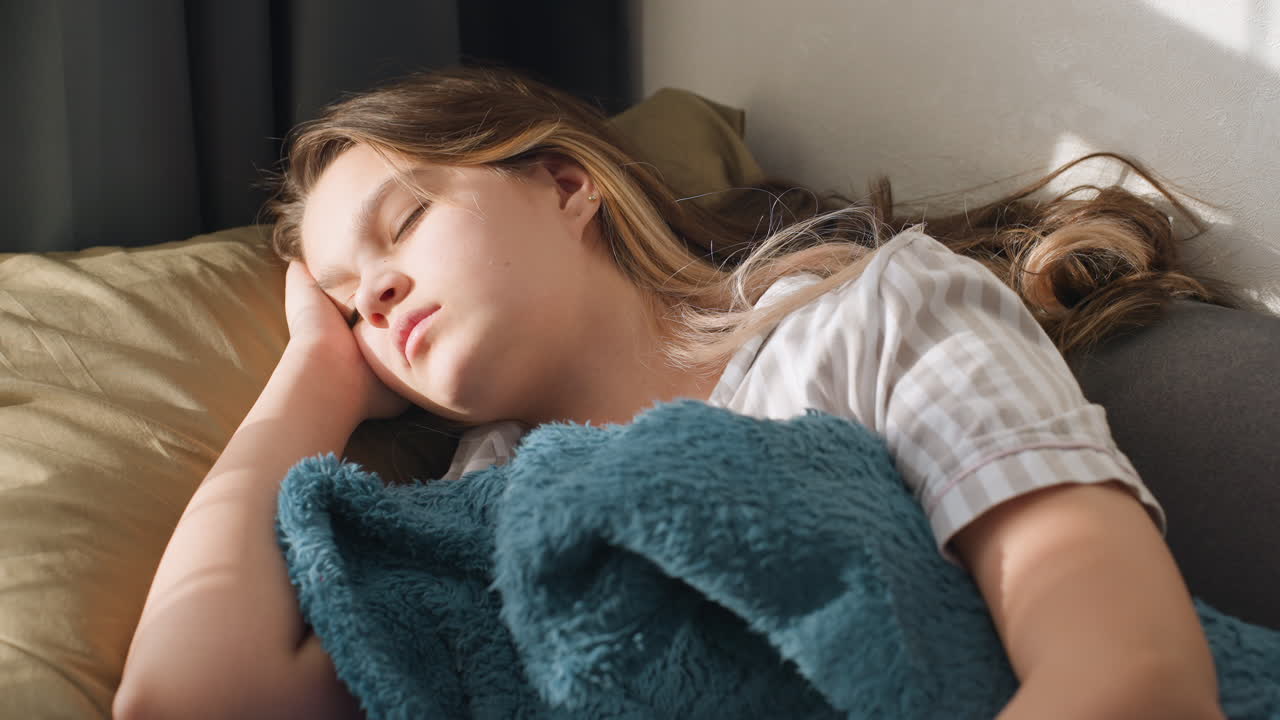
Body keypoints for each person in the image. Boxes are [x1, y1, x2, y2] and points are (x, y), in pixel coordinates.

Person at [115, 66, 1235, 719]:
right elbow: (188, 698)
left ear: (566, 184)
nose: (378, 295)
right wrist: (312, 376)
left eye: (403, 222)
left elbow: (1131, 672)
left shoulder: (868, 320)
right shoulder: (482, 511)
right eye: (351, 304)